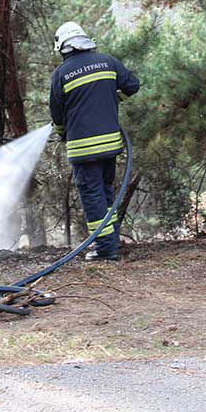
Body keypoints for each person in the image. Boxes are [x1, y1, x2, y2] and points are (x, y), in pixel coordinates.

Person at [49, 21, 140, 261]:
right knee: (106, 195)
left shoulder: (61, 74)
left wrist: (62, 133)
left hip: (83, 149)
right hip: (111, 145)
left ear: (64, 48)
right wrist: (114, 98)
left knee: (93, 198)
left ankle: (106, 251)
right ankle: (110, 242)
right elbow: (133, 85)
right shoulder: (107, 61)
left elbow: (57, 116)